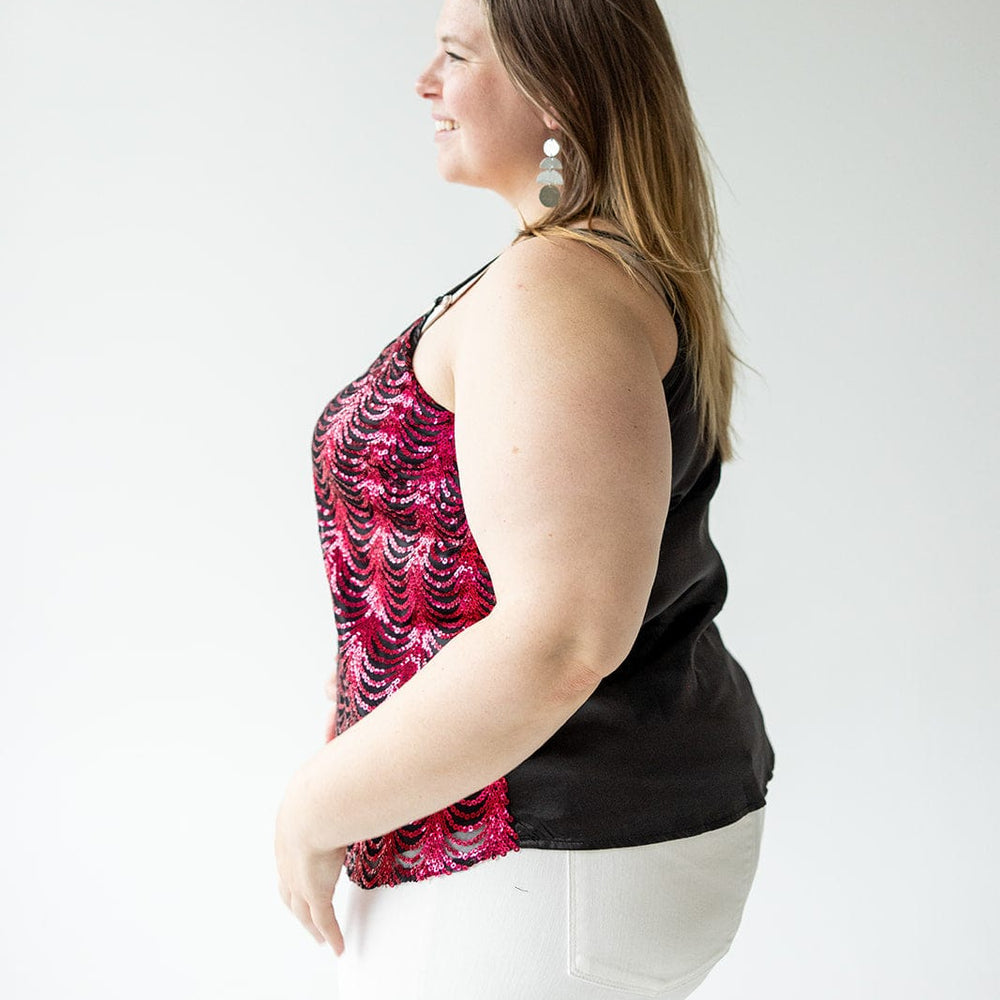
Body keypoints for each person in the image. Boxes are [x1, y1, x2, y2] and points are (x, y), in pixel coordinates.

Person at [274, 0, 776, 996]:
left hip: (539, 851)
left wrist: (311, 807)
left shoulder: (556, 289)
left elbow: (561, 638)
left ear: (556, 90)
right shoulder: (572, 268)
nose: (424, 83)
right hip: (555, 840)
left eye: (456, 56)